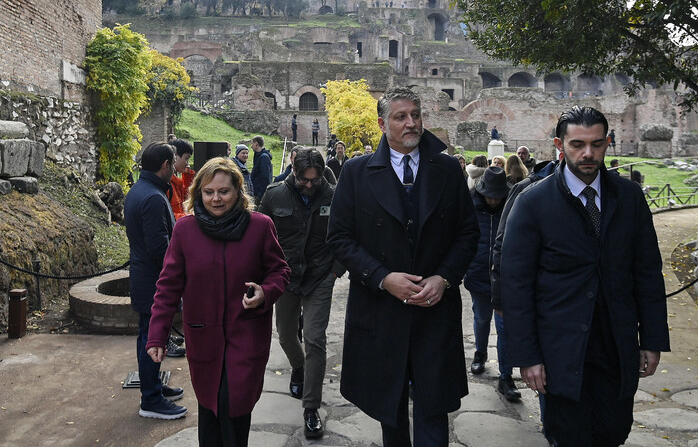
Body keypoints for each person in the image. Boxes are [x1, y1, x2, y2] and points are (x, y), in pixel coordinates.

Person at [500, 106, 669, 446]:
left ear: (608, 143)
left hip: (615, 341)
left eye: (597, 144)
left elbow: (648, 271)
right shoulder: (532, 201)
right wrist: (527, 356)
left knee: (613, 430)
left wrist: (652, 338)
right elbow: (516, 284)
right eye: (577, 144)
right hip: (559, 346)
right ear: (559, 145)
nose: (588, 153)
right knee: (568, 434)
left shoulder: (630, 198)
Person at [327, 87, 479, 447]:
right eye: (400, 117)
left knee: (433, 410)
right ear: (382, 124)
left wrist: (444, 277)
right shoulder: (356, 172)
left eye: (416, 114)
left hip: (434, 310)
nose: (411, 123)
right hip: (381, 310)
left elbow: (468, 233)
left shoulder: (446, 169)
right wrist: (381, 278)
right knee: (389, 410)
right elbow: (340, 238)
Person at [146, 157, 290, 445]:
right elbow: (168, 285)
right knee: (211, 409)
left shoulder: (260, 226)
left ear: (238, 191)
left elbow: (280, 271)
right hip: (204, 338)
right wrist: (157, 335)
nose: (216, 198)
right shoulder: (185, 230)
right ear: (198, 191)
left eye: (223, 191)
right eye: (208, 191)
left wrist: (264, 292)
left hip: (246, 336)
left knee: (235, 409)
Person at [258, 148, 342, 439]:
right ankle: (298, 366)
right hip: (285, 277)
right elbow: (259, 235)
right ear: (293, 170)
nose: (308, 185)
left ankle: (311, 408)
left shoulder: (334, 196)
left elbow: (347, 233)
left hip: (320, 276)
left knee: (316, 339)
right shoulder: (274, 195)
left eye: (314, 180)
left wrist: (335, 270)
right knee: (284, 333)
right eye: (303, 179)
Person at [124, 142, 187, 420]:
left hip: (145, 276)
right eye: (173, 163)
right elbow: (158, 247)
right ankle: (150, 398)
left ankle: (154, 387)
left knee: (148, 335)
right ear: (164, 165)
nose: (175, 168)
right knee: (152, 338)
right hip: (152, 281)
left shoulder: (141, 190)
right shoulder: (151, 197)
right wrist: (177, 279)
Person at [464, 167, 521, 402]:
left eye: (498, 196)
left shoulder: (513, 206)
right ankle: (480, 353)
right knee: (481, 318)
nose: (494, 200)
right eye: (490, 195)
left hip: (504, 277)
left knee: (504, 326)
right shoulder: (471, 207)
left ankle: (505, 375)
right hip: (478, 272)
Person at [250, 135, 272, 205]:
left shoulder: (263, 157)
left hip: (259, 195)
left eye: (252, 143)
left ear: (256, 144)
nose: (251, 146)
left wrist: (260, 195)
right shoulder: (258, 156)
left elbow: (265, 178)